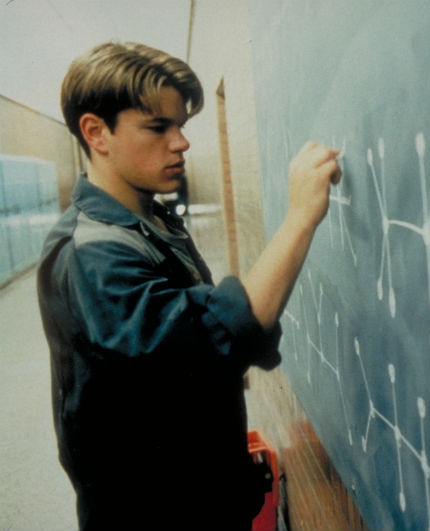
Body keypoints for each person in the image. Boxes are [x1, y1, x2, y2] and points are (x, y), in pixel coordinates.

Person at [37, 41, 341, 530]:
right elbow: (210, 339)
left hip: (198, 498)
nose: (181, 143)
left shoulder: (151, 223)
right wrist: (301, 217)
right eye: (158, 127)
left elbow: (222, 342)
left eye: (180, 126)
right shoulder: (92, 254)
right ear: (96, 132)